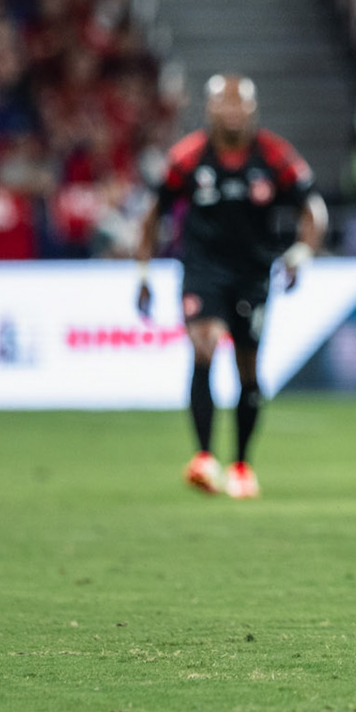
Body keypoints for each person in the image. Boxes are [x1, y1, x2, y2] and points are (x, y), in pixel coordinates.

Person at [136, 75, 324, 499]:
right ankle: (204, 458)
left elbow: (312, 208)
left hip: (253, 275)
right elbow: (152, 212)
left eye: (241, 105)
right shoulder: (188, 157)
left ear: (253, 110)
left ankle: (241, 465)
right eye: (225, 104)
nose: (233, 112)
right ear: (210, 109)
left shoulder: (274, 155)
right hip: (202, 270)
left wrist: (301, 253)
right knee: (204, 345)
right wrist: (143, 273)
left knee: (248, 370)